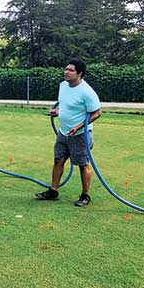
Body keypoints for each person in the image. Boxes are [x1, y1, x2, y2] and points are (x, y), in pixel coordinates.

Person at [36, 59, 102, 207]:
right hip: (63, 132)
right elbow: (66, 105)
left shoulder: (87, 92)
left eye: (71, 70)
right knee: (58, 160)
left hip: (80, 135)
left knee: (82, 164)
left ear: (80, 73)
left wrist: (78, 127)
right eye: (66, 69)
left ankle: (85, 196)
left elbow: (97, 113)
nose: (66, 72)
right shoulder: (63, 86)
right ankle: (53, 191)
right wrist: (57, 111)